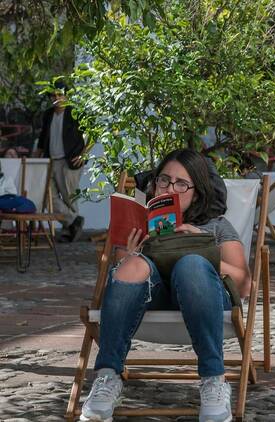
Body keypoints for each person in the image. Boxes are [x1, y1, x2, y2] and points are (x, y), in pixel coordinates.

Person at [80, 148, 252, 422]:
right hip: (152, 300)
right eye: (164, 180)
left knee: (192, 265)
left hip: (205, 299)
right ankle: (107, 378)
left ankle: (213, 380)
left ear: (197, 190)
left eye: (182, 183)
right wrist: (132, 252)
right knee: (133, 265)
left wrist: (202, 247)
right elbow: (124, 279)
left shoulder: (216, 226)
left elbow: (243, 285)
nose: (170, 188)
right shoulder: (144, 224)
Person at [34, 80, 89, 242]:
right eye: (53, 95)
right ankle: (73, 221)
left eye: (60, 94)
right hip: (50, 160)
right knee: (47, 196)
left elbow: (92, 134)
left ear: (66, 95)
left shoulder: (76, 112)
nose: (56, 98)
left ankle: (68, 231)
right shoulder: (48, 114)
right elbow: (43, 138)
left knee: (68, 196)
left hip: (70, 160)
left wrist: (84, 155)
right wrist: (35, 158)